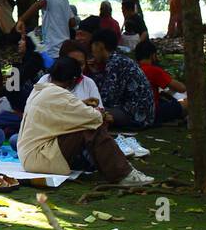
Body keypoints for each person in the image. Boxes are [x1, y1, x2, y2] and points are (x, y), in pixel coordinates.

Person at [18, 57, 153, 186]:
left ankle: (115, 169)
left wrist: (81, 104)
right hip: (39, 158)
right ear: (73, 80)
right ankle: (123, 174)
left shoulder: (40, 90)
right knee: (91, 129)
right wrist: (100, 113)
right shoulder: (58, 94)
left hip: (30, 156)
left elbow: (60, 109)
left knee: (85, 126)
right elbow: (94, 118)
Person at [89, 28, 155, 129]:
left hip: (137, 116)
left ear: (100, 45)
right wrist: (95, 73)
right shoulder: (118, 60)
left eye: (93, 46)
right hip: (141, 113)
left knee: (89, 112)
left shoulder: (116, 63)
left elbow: (107, 99)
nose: (92, 52)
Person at [133, 39, 187, 125]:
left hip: (132, 112)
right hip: (151, 113)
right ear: (152, 55)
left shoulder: (132, 68)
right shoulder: (153, 70)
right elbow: (181, 88)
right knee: (187, 103)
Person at [34, 40, 101, 104]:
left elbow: (98, 111)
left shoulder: (89, 83)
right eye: (72, 63)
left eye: (80, 64)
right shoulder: (46, 80)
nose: (76, 68)